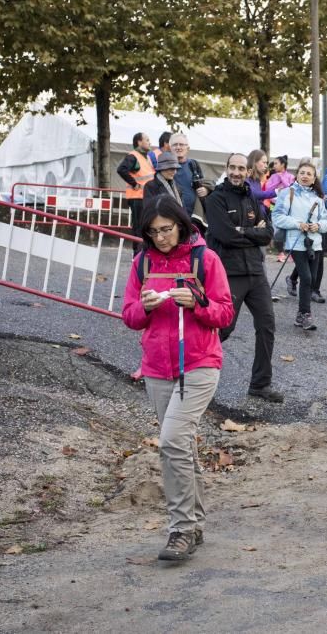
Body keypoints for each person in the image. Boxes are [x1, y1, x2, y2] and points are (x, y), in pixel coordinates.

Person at [121, 197, 234, 561]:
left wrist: (197, 304)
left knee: (171, 441)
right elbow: (129, 315)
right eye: (153, 232)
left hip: (199, 363)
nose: (161, 238)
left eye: (166, 230)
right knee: (181, 446)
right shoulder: (142, 263)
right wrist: (145, 307)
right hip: (156, 366)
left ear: (181, 225)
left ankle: (181, 529)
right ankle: (195, 523)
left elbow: (225, 314)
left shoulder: (206, 260)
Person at [205, 153, 282, 402]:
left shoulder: (250, 197)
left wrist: (243, 231)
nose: (237, 172)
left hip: (256, 272)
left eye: (241, 168)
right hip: (231, 272)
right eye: (233, 167)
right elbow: (224, 235)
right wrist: (251, 234)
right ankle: (190, 371)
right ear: (226, 169)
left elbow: (268, 233)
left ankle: (260, 385)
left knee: (267, 326)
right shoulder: (216, 199)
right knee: (224, 329)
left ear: (248, 171)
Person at [272, 161, 327, 330]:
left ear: (314, 179)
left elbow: (326, 221)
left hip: (315, 243)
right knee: (306, 277)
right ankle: (305, 314)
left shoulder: (318, 198)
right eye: (302, 172)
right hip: (295, 242)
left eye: (309, 174)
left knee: (310, 281)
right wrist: (298, 224)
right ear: (297, 175)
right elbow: (277, 217)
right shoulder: (286, 193)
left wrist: (318, 226)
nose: (305, 176)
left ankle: (301, 315)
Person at [116, 132, 155, 251]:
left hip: (144, 197)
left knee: (145, 226)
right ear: (139, 142)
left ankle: (143, 252)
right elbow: (121, 169)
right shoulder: (133, 156)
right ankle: (138, 254)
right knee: (139, 227)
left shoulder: (146, 156)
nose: (150, 142)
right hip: (137, 197)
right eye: (147, 140)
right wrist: (134, 183)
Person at [168, 133, 210, 232]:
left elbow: (202, 183)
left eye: (181, 144)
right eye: (175, 145)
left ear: (188, 148)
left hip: (194, 218)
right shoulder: (165, 167)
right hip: (173, 217)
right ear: (170, 148)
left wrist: (206, 190)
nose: (178, 147)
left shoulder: (193, 164)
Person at [245, 150, 277, 215]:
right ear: (255, 162)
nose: (266, 166)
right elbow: (255, 195)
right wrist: (276, 192)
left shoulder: (257, 180)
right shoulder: (246, 177)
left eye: (266, 163)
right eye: (264, 162)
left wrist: (270, 210)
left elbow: (259, 202)